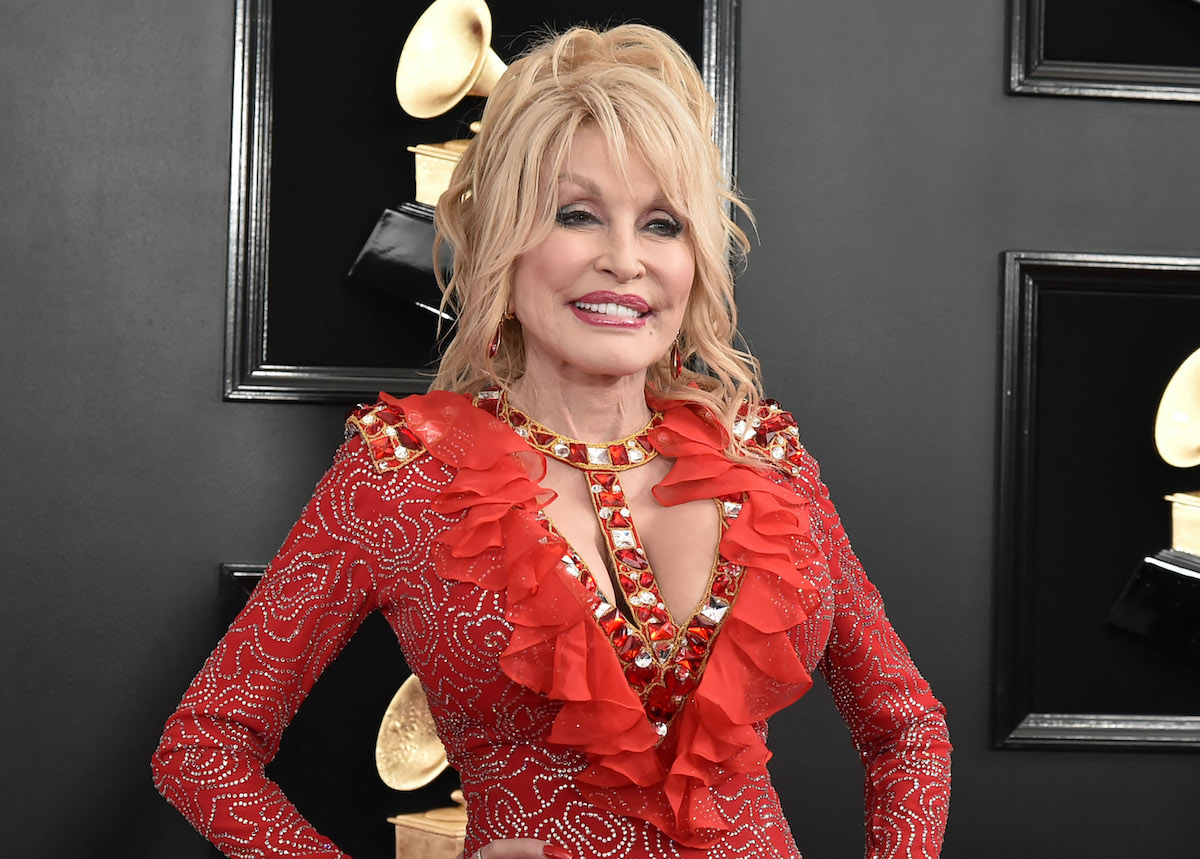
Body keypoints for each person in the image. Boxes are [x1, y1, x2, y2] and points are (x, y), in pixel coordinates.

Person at [152, 24, 951, 859]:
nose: (624, 260)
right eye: (577, 215)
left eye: (663, 224)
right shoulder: (401, 473)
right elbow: (202, 747)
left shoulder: (765, 455)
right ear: (503, 240)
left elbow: (910, 731)